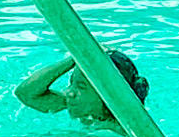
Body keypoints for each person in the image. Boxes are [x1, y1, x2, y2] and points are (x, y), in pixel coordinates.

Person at [16, 49, 149, 126]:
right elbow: (26, 93)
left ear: (108, 96)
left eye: (81, 86)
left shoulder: (130, 131)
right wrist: (74, 59)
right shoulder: (89, 108)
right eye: (71, 82)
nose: (69, 93)